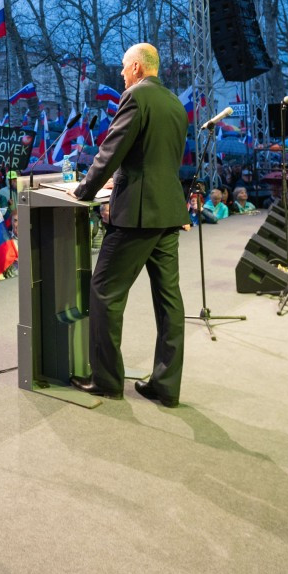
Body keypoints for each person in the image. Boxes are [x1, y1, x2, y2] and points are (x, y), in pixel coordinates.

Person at [71, 43, 188, 408]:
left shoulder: (135, 97)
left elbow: (111, 150)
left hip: (137, 216)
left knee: (104, 291)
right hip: (168, 213)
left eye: (124, 67)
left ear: (136, 67)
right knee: (169, 303)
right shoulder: (175, 103)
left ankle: (105, 380)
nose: (121, 74)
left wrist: (85, 189)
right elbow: (152, 157)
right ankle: (166, 385)